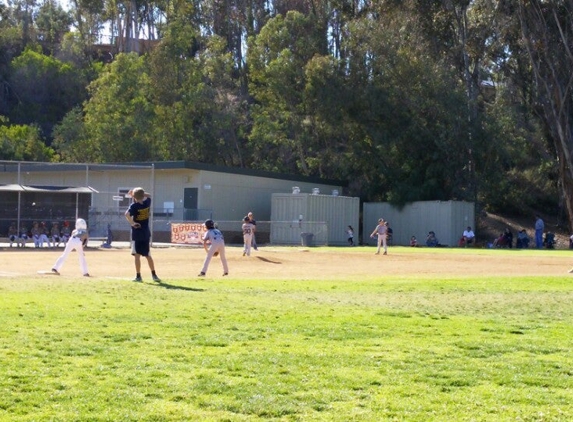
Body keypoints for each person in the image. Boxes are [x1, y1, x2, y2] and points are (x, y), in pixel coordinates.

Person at [125, 187, 161, 283]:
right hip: (146, 233)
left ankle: (138, 276)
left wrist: (132, 223)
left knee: (137, 255)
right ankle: (154, 275)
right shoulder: (147, 203)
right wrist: (137, 194)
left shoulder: (134, 206)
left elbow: (127, 214)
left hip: (137, 233)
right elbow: (148, 196)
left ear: (134, 197)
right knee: (148, 255)